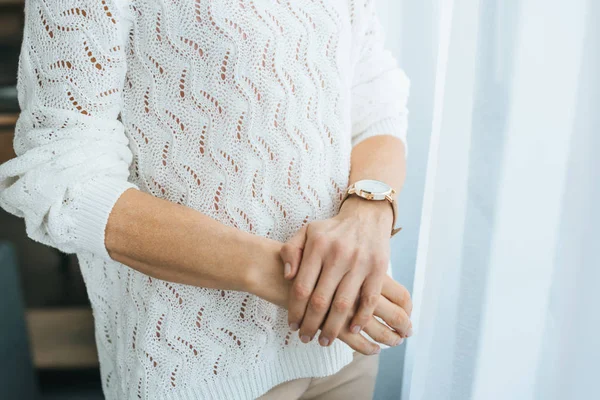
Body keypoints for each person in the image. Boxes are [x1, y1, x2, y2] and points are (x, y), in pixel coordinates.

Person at [0, 0, 412, 399]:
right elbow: (64, 175)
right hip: (199, 364)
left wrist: (368, 212)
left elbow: (375, 99)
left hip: (344, 341)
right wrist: (290, 278)